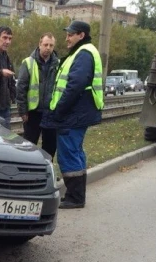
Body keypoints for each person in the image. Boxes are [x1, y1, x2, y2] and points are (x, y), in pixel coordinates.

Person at [41, 20, 104, 209]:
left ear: (81, 35)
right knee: (75, 152)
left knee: (68, 153)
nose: (67, 38)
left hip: (73, 113)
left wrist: (59, 110)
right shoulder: (82, 52)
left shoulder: (84, 53)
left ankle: (75, 198)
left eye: (71, 34)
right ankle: (76, 195)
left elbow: (74, 86)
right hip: (78, 112)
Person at [16, 33, 59, 158]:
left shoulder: (58, 64)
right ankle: (29, 172)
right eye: (45, 44)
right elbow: (21, 88)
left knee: (50, 147)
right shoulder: (29, 63)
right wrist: (23, 111)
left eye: (51, 45)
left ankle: (46, 172)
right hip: (33, 113)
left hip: (51, 113)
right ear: (39, 44)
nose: (48, 48)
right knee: (29, 145)